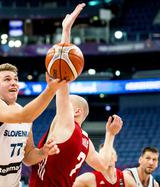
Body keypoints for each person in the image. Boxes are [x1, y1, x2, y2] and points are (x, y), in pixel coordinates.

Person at [29, 3, 123, 186]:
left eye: (67, 104)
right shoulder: (86, 141)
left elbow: (64, 78)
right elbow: (103, 164)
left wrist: (66, 31)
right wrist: (110, 134)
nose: (60, 106)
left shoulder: (67, 124)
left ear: (77, 112)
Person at [0, 63, 66, 187]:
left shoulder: (23, 112)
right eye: (7, 79)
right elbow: (25, 116)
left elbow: (28, 156)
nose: (14, 82)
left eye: (16, 79)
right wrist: (51, 89)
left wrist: (43, 152)